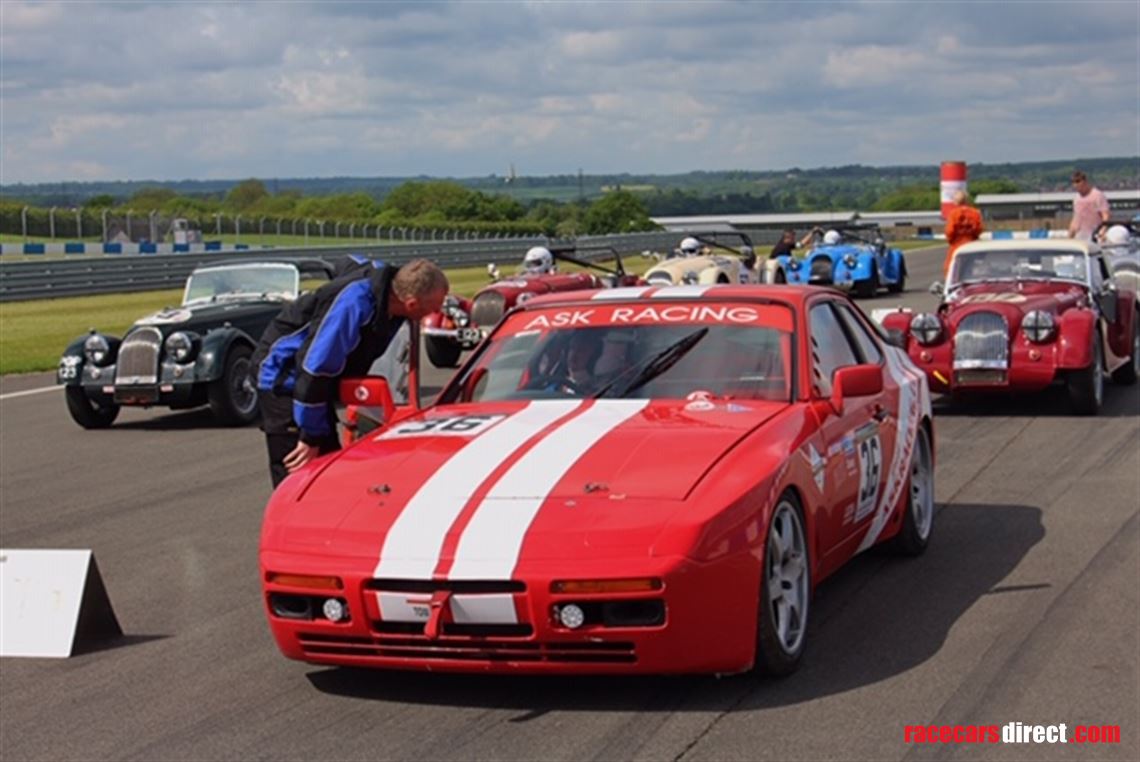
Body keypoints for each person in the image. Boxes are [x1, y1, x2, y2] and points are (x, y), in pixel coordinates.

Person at [252, 258, 449, 487]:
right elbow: (315, 369)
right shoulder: (354, 305)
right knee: (302, 479)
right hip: (284, 378)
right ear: (412, 304)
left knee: (330, 472)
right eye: (433, 308)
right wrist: (310, 437)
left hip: (314, 383)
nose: (434, 313)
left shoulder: (389, 281)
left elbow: (349, 261)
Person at [942, 190, 984, 278]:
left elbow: (950, 231)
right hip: (971, 243)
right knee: (971, 267)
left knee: (951, 268)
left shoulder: (954, 214)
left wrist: (951, 241)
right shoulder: (975, 213)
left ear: (956, 201)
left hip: (957, 244)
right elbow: (979, 229)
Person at [1067, 170, 1110, 241]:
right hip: (1080, 236)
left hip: (1095, 235)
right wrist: (1070, 236)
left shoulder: (1097, 195)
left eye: (1078, 181)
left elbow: (1105, 215)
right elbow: (1075, 218)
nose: (1075, 185)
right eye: (1073, 182)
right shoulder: (1076, 199)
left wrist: (1102, 231)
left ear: (1085, 181)